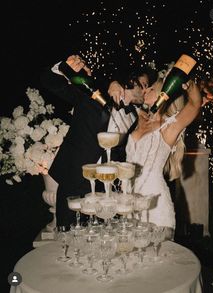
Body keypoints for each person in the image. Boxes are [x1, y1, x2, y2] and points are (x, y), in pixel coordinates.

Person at [40, 55, 149, 227]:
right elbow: (50, 82)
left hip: (103, 190)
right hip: (74, 182)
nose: (146, 90)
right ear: (130, 81)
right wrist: (62, 67)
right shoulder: (92, 94)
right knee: (69, 236)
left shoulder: (134, 116)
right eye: (143, 85)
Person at [125, 77, 202, 239]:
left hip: (155, 207)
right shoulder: (138, 117)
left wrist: (189, 83)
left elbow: (195, 104)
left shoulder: (169, 127)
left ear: (164, 94)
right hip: (129, 203)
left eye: (151, 89)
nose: (145, 90)